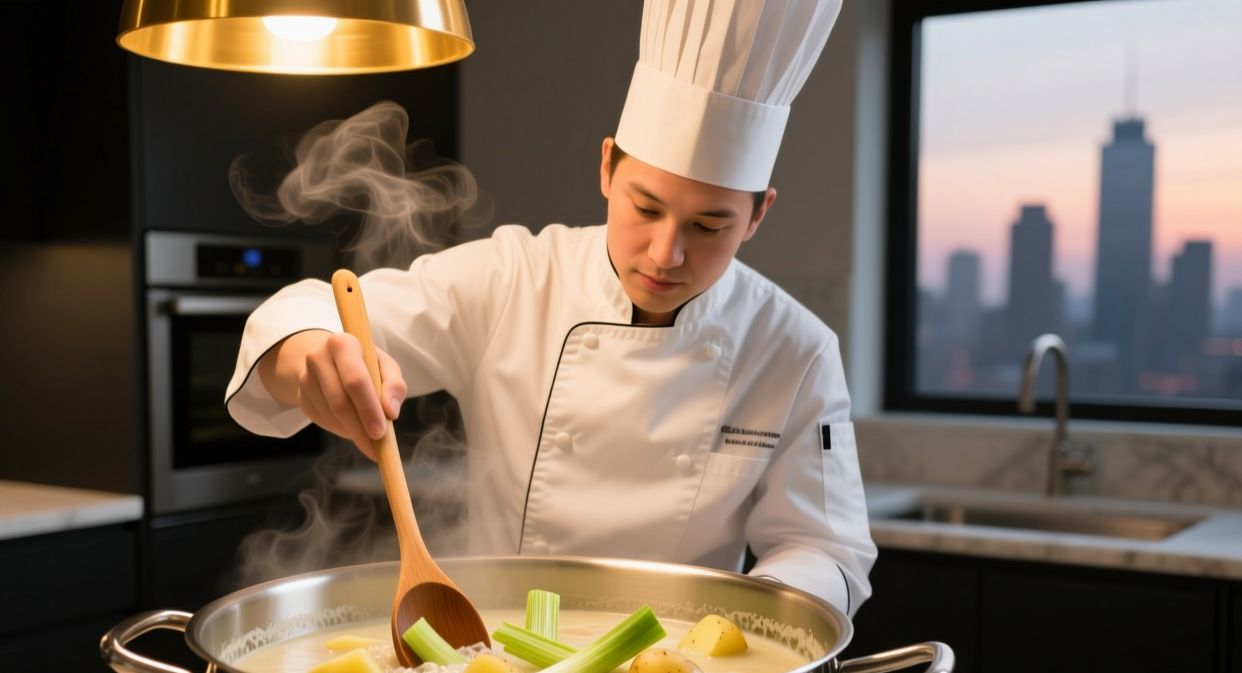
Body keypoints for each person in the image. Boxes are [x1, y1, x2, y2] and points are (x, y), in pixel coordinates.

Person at [225, 0, 874, 617]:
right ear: (606, 169)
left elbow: (826, 549)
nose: (665, 252)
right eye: (645, 208)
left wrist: (739, 626)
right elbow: (314, 309)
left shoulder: (795, 350)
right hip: (496, 654)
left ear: (759, 214)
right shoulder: (513, 278)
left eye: (709, 226)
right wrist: (306, 351)